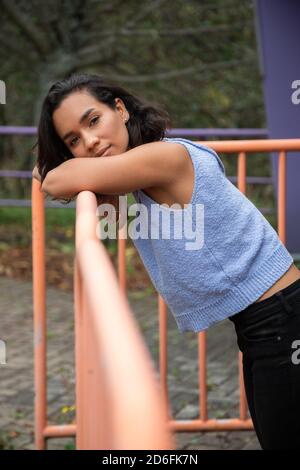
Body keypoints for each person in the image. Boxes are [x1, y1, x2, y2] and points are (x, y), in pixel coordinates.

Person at [33, 73, 300, 449]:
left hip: (283, 320)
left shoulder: (163, 157)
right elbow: (57, 176)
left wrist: (60, 166)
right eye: (72, 140)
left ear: (120, 109)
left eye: (93, 120)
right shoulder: (135, 173)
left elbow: (55, 181)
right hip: (263, 323)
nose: (89, 141)